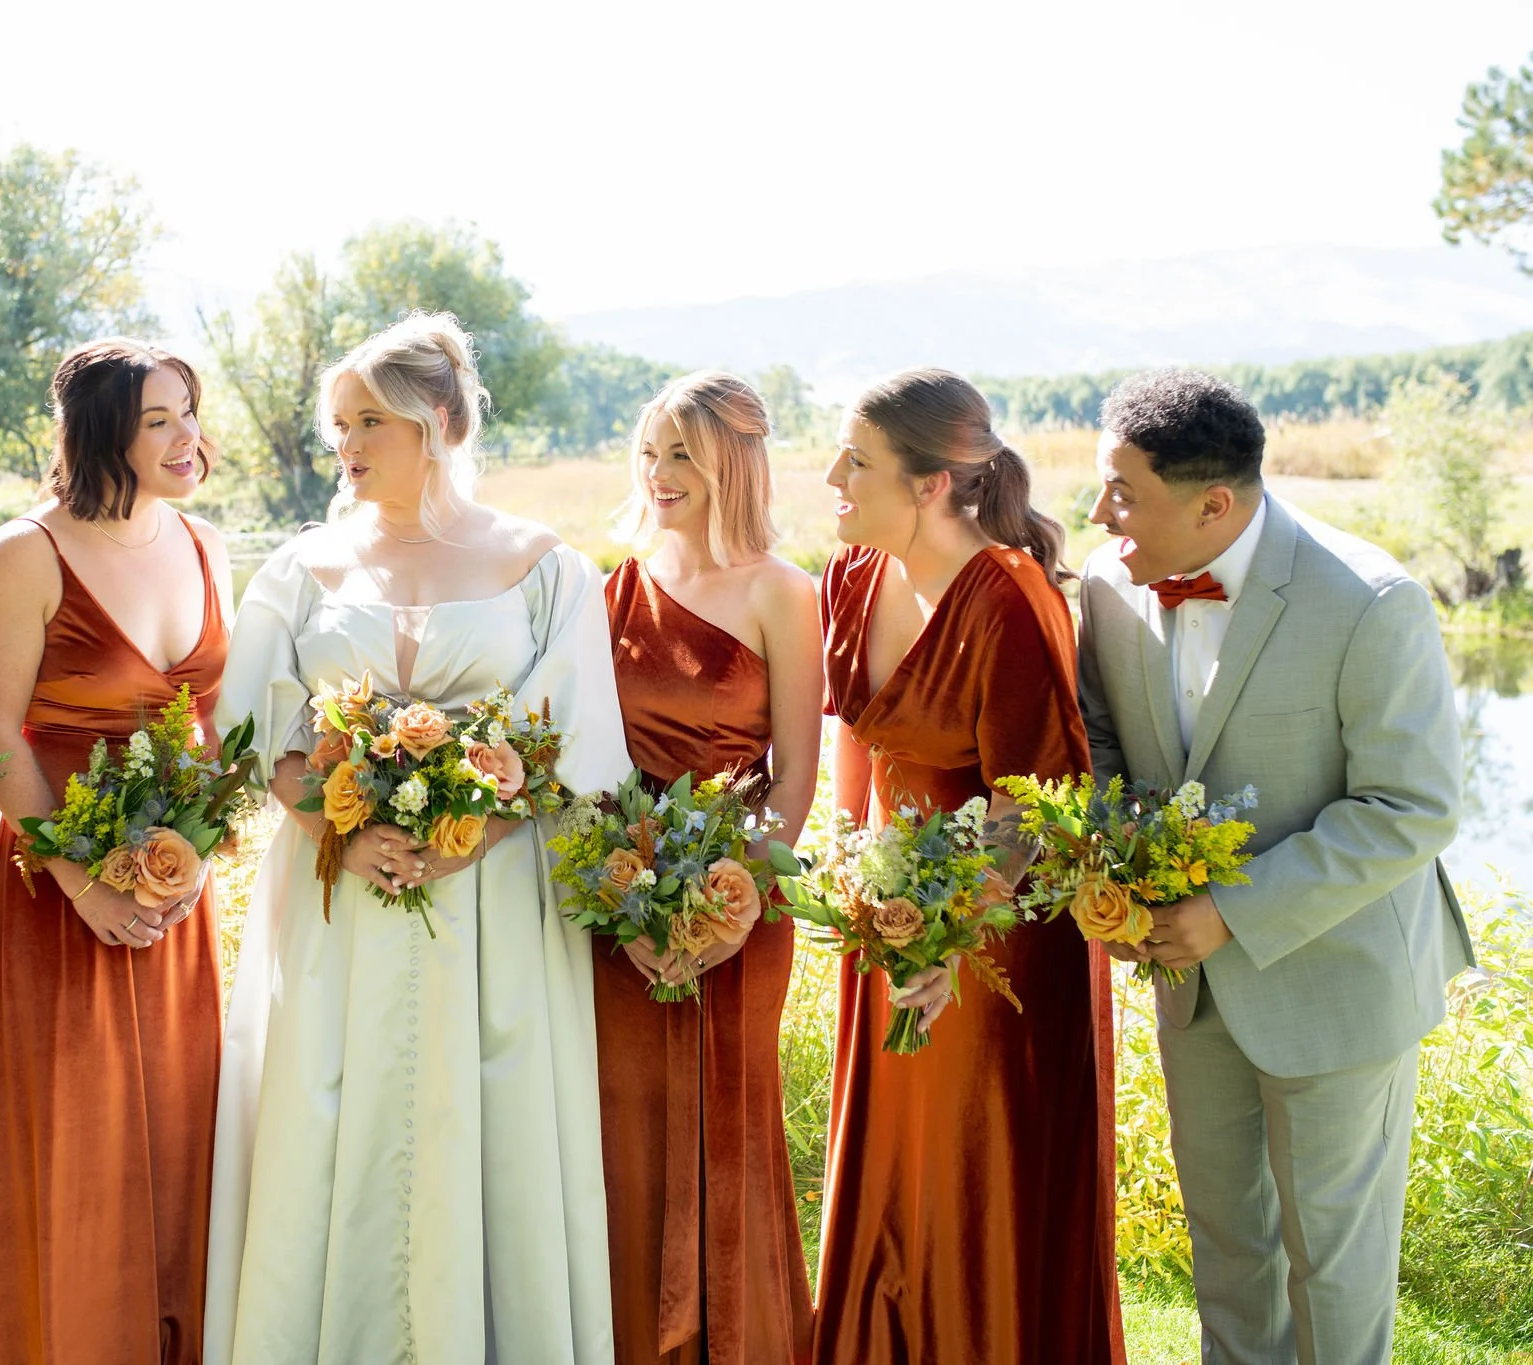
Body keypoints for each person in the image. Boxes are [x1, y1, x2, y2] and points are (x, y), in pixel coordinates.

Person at [203, 312, 628, 1364]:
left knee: (488, 1111)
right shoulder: (299, 569)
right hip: (335, 899)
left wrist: (472, 831)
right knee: (327, 1107)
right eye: (339, 424)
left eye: (369, 422)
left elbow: (573, 741)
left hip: (494, 900)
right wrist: (336, 833)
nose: (344, 444)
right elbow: (260, 736)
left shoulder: (546, 568)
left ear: (439, 422)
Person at [1076, 369, 1468, 1365]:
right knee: (1229, 1254)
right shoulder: (1107, 584)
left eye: (1122, 491)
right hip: (1192, 987)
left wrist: (1229, 910)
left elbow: (1411, 805)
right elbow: (1106, 752)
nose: (1099, 513)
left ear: (1212, 504)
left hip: (1338, 981)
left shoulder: (1369, 599)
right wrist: (1123, 883)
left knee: (1332, 1267)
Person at [810, 368, 1123, 1364]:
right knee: (893, 1165)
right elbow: (856, 745)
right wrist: (856, 886)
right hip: (891, 919)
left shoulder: (1009, 600)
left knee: (966, 1168)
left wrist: (949, 933)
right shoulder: (850, 576)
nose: (832, 479)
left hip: (994, 943)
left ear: (929, 483)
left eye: (855, 462)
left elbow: (1033, 807)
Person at [0, 339, 234, 1364]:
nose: (186, 437)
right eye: (158, 419)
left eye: (189, 412)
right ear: (98, 434)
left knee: (180, 1129)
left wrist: (198, 851)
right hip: (55, 879)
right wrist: (79, 882)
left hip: (173, 887)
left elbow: (213, 726)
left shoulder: (205, 544)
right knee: (78, 1137)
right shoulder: (26, 553)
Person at [596, 371, 820, 1364]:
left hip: (738, 906)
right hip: (619, 909)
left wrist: (729, 909)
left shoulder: (781, 590)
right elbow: (587, 767)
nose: (659, 472)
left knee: (727, 1127)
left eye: (682, 453)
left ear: (734, 462)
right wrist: (627, 899)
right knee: (624, 1129)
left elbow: (795, 777)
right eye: (650, 451)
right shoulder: (611, 586)